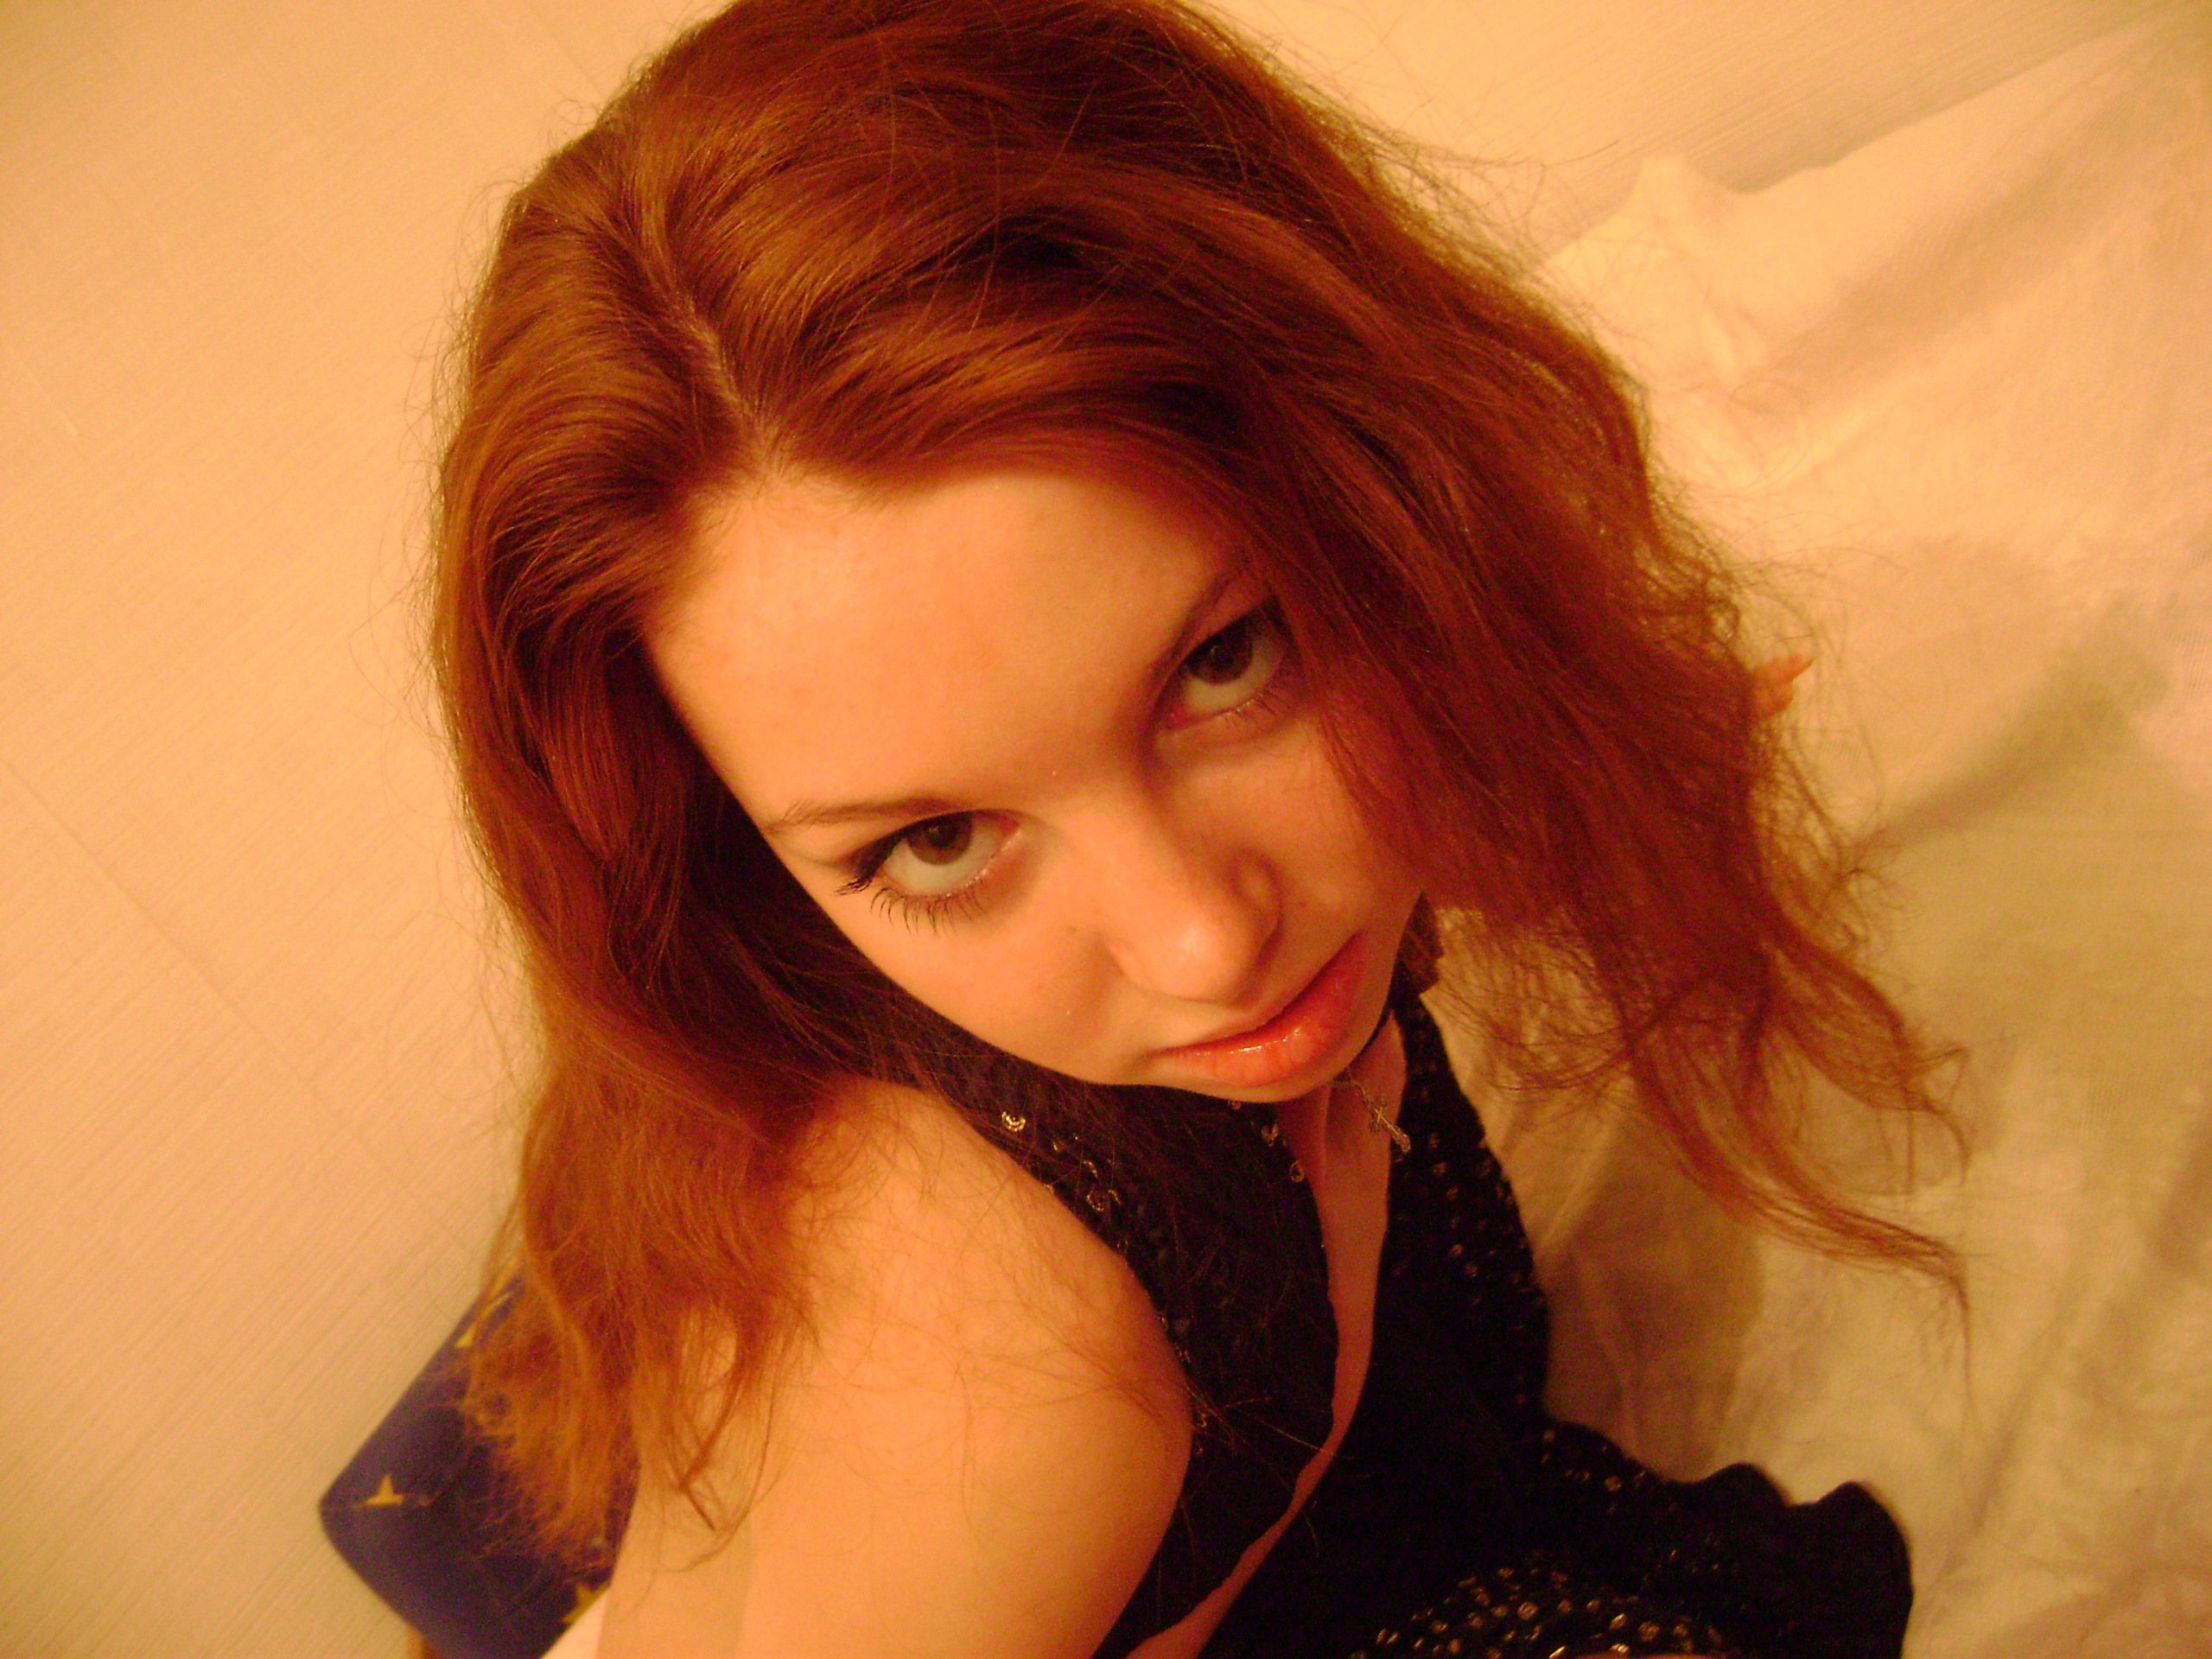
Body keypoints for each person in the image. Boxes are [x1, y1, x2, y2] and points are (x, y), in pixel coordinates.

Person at [429, 0, 1952, 1653]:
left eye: (1229, 663)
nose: (1206, 944)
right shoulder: (1021, 1350)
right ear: (729, 856)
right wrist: (1265, 1455)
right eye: (935, 844)